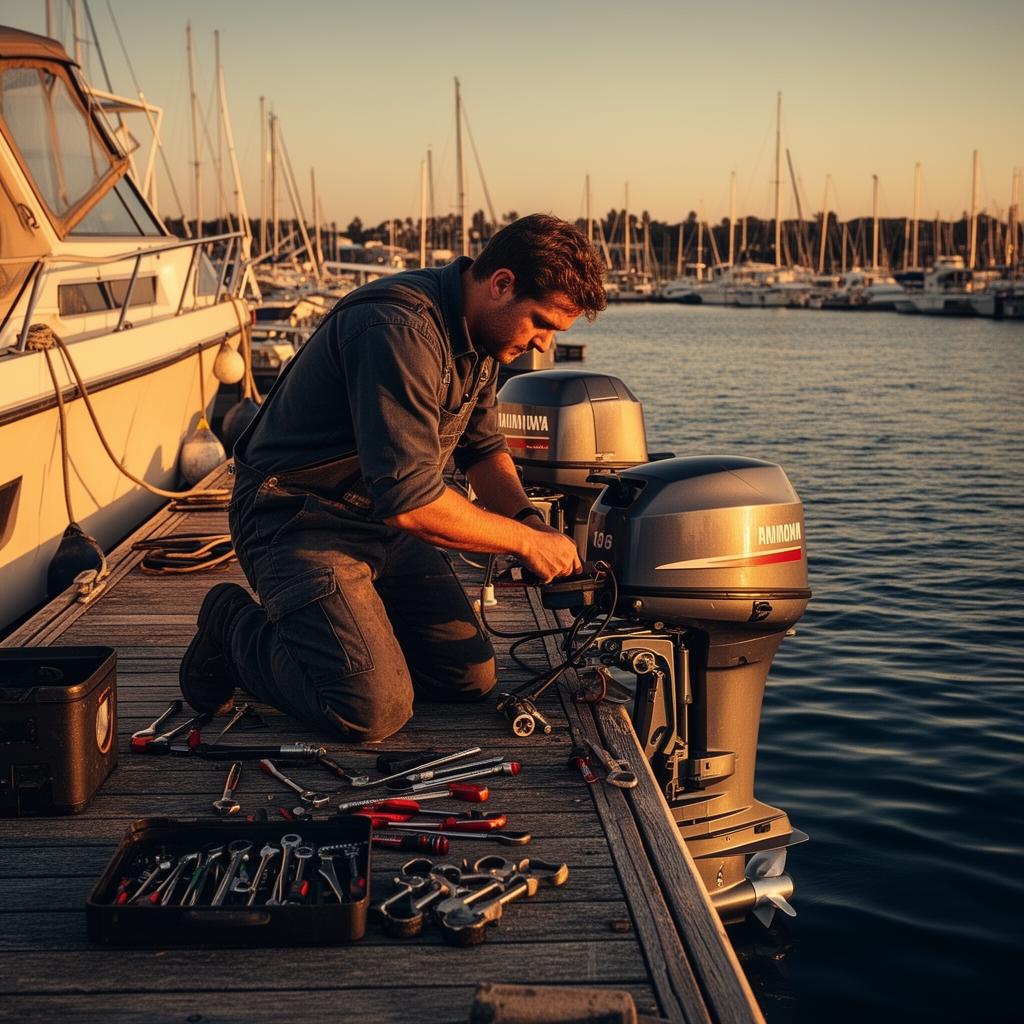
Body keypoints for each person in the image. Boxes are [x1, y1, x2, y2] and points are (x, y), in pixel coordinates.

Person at [179, 214, 607, 741]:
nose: (543, 344)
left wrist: (527, 520)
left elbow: (482, 447)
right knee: (370, 709)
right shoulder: (398, 327)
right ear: (502, 284)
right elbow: (411, 502)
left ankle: (354, 635)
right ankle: (232, 628)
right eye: (541, 322)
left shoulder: (482, 334)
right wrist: (523, 543)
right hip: (294, 517)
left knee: (467, 678)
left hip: (377, 522)